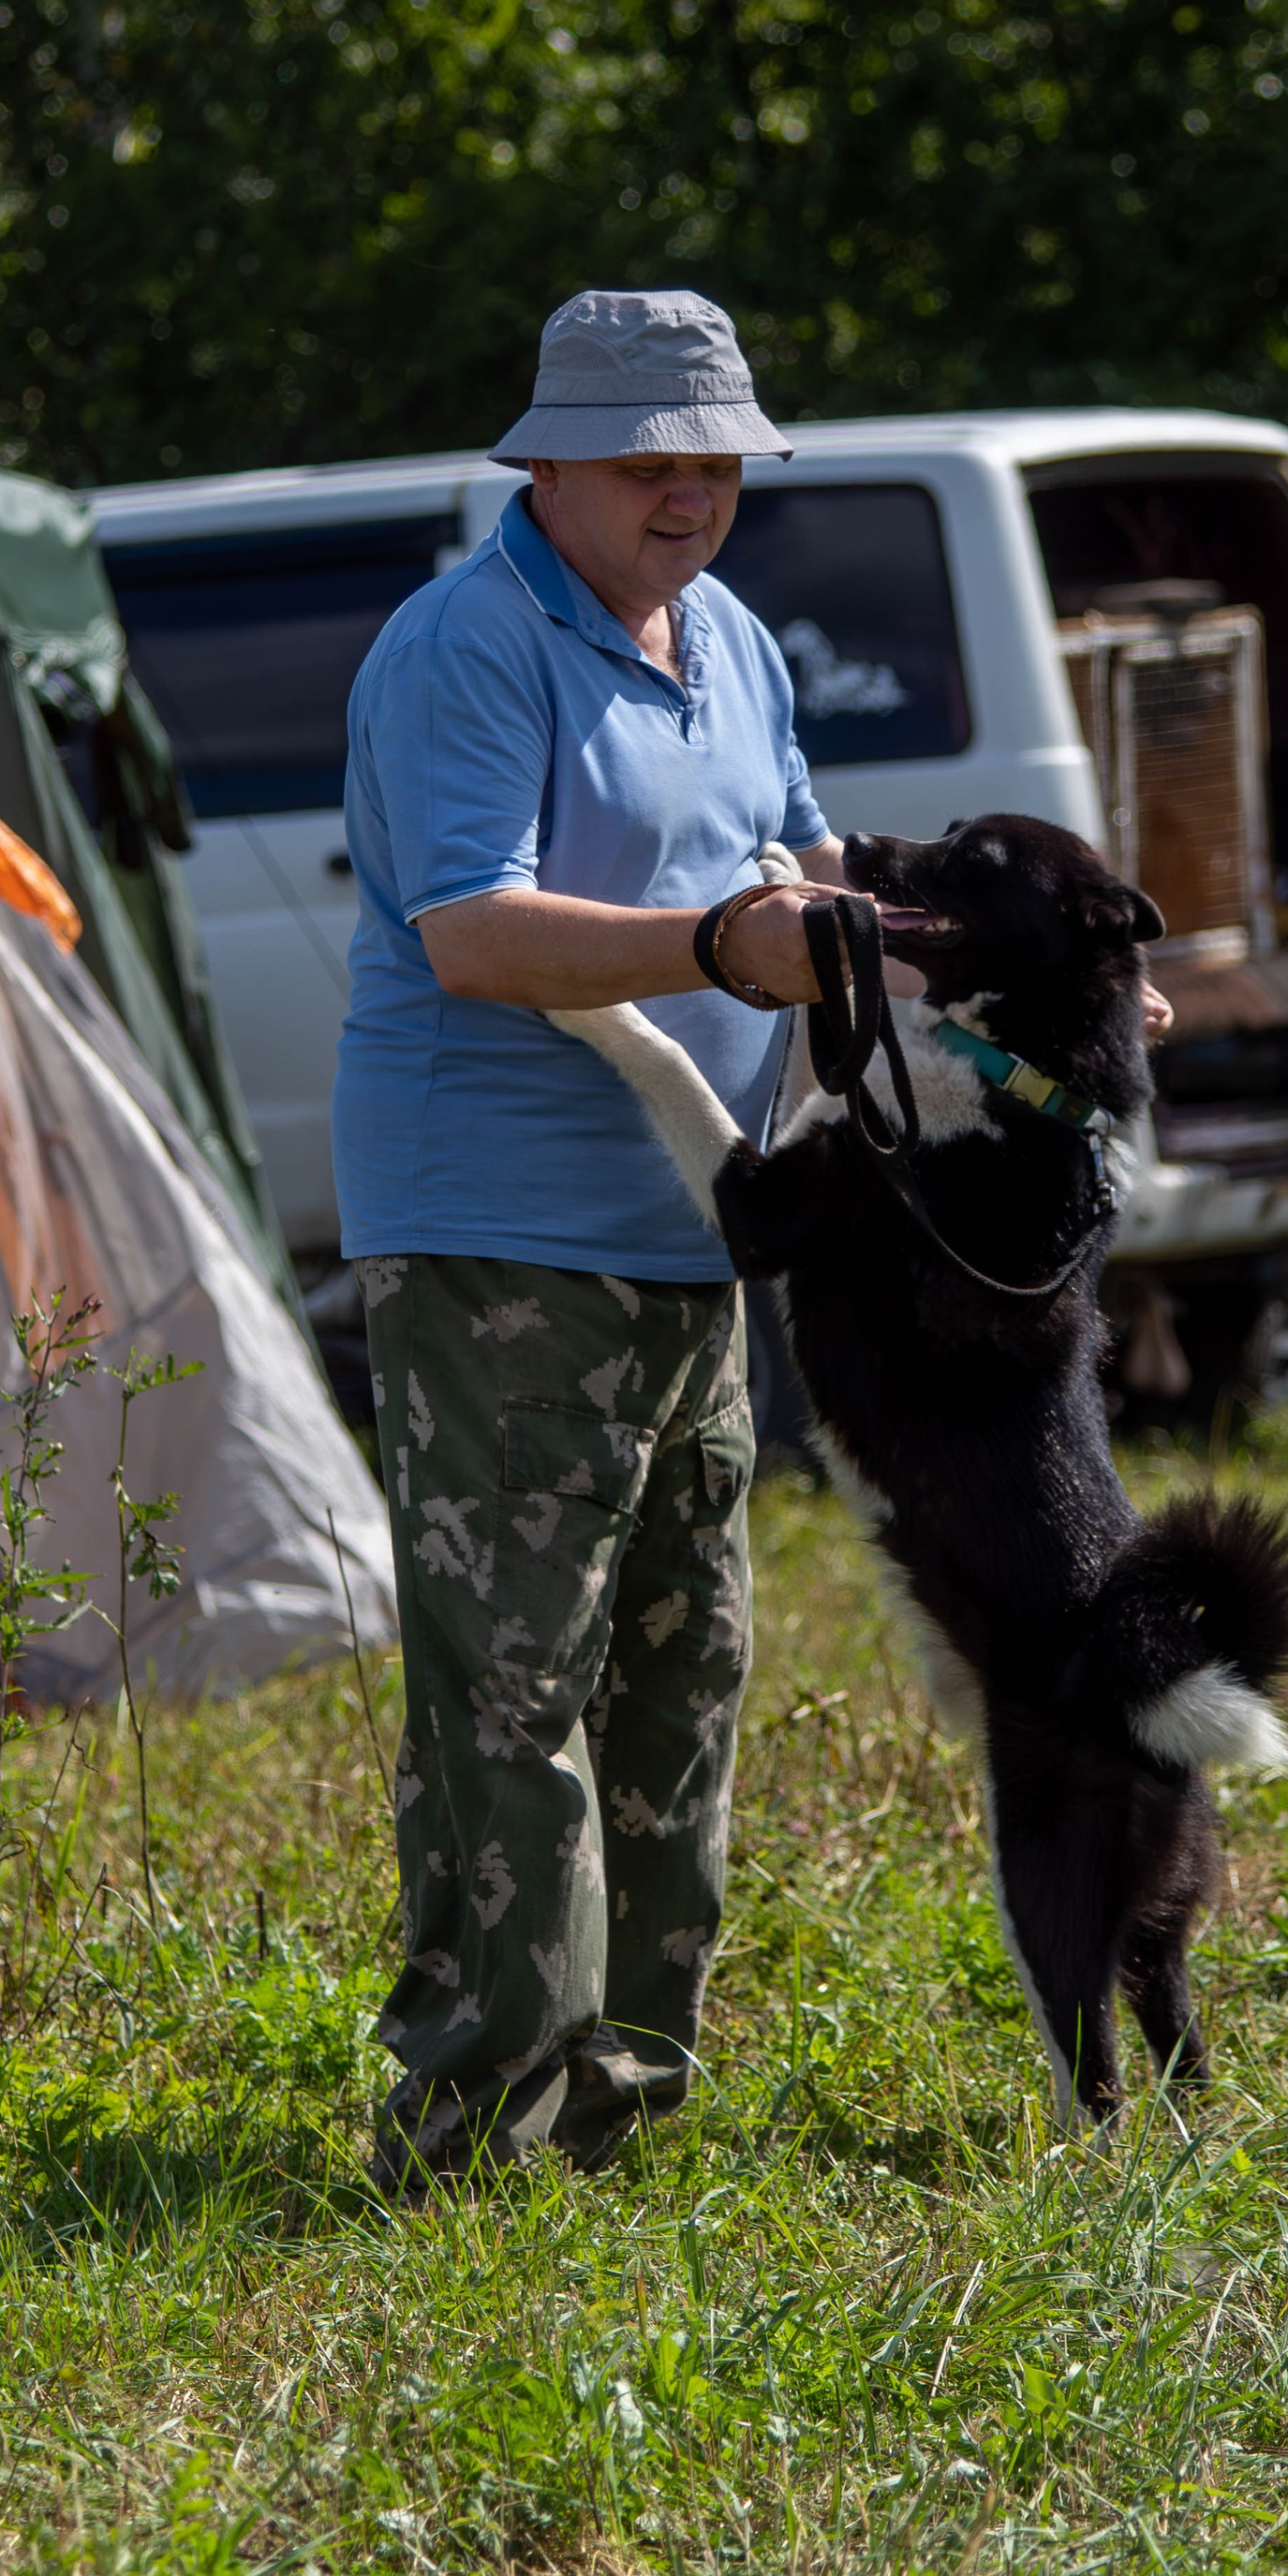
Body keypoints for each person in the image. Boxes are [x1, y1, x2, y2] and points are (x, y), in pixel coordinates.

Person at [334, 287, 845, 2194]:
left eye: (716, 455)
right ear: (543, 462)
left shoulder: (725, 636)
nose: (688, 488)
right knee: (512, 1687)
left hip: (690, 1231)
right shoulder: (462, 648)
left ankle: (625, 2111)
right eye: (648, 455)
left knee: (674, 1674)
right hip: (493, 1238)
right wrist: (717, 943)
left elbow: (800, 862)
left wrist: (989, 977)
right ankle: (474, 2133)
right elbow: (473, 932)